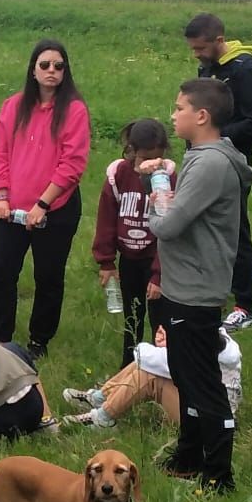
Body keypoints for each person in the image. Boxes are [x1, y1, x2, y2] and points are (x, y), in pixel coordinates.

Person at [141, 79, 252, 492]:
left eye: (179, 108)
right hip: (182, 284)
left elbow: (169, 225)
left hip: (196, 290)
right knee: (184, 375)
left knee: (203, 381)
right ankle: (187, 456)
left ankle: (219, 475)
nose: (173, 115)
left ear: (201, 116)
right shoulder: (202, 156)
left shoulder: (209, 163)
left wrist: (155, 197)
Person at [0, 39, 90, 360]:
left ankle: (39, 340)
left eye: (59, 66)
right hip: (10, 208)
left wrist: (43, 204)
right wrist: (1, 195)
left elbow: (72, 164)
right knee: (0, 270)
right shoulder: (13, 106)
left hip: (54, 209)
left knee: (48, 276)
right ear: (33, 70)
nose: (52, 72)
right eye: (45, 65)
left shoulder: (74, 110)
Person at [183, 13, 252, 332]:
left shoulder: (244, 70)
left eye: (201, 48)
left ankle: (244, 305)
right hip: (202, 158)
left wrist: (214, 138)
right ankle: (210, 291)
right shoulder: (208, 68)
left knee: (234, 230)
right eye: (193, 49)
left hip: (232, 163)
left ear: (219, 41)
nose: (197, 55)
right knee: (202, 225)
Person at [92, 118, 172, 368]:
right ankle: (129, 370)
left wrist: (159, 275)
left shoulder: (169, 178)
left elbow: (170, 231)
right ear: (132, 150)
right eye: (144, 159)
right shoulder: (118, 176)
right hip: (129, 261)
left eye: (156, 160)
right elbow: (106, 219)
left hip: (156, 260)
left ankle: (161, 371)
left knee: (160, 322)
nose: (150, 165)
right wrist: (106, 262)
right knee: (132, 319)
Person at [60, 325, 242, 430]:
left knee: (150, 374)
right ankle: (101, 398)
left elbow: (142, 354)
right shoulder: (219, 343)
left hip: (208, 421)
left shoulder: (196, 352)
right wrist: (169, 344)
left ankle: (103, 418)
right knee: (149, 366)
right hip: (210, 409)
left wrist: (165, 345)